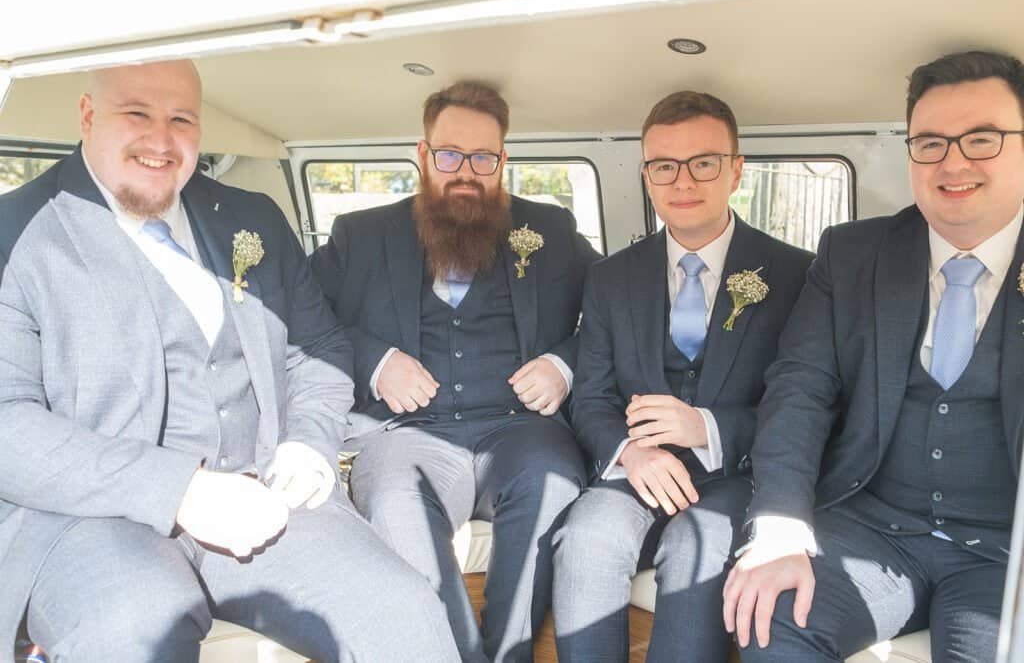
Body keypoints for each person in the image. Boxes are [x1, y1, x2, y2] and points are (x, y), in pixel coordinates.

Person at [0, 59, 459, 663]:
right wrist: (182, 492)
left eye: (181, 119)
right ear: (88, 115)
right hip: (94, 516)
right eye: (136, 113)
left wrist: (308, 444)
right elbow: (9, 422)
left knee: (405, 613)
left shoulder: (253, 217)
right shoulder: (17, 231)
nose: (161, 141)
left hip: (264, 489)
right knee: (135, 633)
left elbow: (319, 348)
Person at [723, 50, 1024, 663]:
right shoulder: (853, 253)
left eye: (982, 139)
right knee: (771, 623)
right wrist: (779, 525)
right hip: (874, 529)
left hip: (1005, 552)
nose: (954, 162)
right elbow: (798, 388)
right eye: (931, 143)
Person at [310, 80, 601, 662]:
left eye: (483, 158)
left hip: (522, 432)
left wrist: (564, 362)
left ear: (502, 162)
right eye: (448, 155)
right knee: (394, 501)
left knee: (554, 488)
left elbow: (624, 312)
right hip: (407, 437)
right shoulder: (359, 235)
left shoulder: (551, 230)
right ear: (423, 155)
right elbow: (300, 317)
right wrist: (376, 362)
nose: (465, 172)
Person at [551, 91, 812, 662]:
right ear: (647, 176)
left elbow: (808, 404)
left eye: (703, 163)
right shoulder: (611, 276)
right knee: (586, 538)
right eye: (664, 166)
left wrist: (707, 427)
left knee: (699, 547)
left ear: (735, 170)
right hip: (637, 468)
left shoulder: (798, 273)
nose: (683, 181)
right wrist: (628, 452)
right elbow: (591, 396)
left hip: (736, 473)